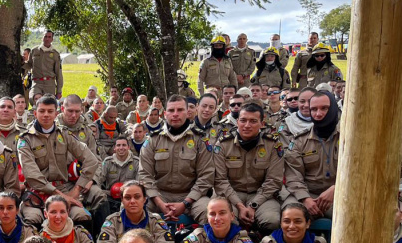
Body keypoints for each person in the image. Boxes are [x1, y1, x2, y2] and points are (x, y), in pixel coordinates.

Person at [17, 95, 104, 225]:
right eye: (42, 111)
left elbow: (91, 160)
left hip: (63, 188)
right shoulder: (25, 139)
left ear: (56, 113)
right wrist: (62, 197)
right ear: (35, 113)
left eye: (50, 111)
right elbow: (32, 175)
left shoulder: (64, 134)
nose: (46, 115)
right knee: (33, 218)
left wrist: (77, 189)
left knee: (81, 215)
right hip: (37, 193)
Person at [138, 95, 214, 224]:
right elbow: (144, 174)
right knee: (131, 208)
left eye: (180, 110)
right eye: (171, 111)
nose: (175, 114)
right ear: (165, 113)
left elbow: (206, 176)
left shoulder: (200, 140)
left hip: (191, 196)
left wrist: (185, 203)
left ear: (188, 112)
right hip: (158, 195)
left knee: (210, 213)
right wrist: (159, 203)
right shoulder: (153, 140)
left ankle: (203, 242)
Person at [213, 101, 284, 232]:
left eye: (253, 121)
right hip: (231, 195)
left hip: (262, 196)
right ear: (237, 122)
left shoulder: (273, 145)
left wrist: (253, 206)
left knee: (271, 220)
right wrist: (239, 206)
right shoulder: (223, 144)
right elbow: (220, 181)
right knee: (226, 219)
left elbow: (274, 180)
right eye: (243, 120)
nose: (247, 125)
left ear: (262, 124)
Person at [283, 91, 339, 219]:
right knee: (291, 216)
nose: (318, 114)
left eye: (324, 108)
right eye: (314, 109)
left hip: (341, 194)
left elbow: (358, 171)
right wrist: (305, 198)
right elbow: (293, 175)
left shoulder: (349, 137)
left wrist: (336, 189)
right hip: (308, 195)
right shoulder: (300, 140)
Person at [97, 181, 175, 243]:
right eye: (127, 198)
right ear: (122, 200)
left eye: (137, 197)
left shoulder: (155, 220)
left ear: (145, 199)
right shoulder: (112, 221)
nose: (132, 201)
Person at [23, 30, 63, 97]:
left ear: (52, 39)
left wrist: (59, 91)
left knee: (48, 103)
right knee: (34, 99)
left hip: (49, 84)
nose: (47, 39)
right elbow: (29, 65)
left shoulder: (55, 54)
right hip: (36, 83)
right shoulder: (34, 51)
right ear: (42, 38)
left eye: (49, 37)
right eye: (45, 36)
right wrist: (21, 63)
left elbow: (58, 73)